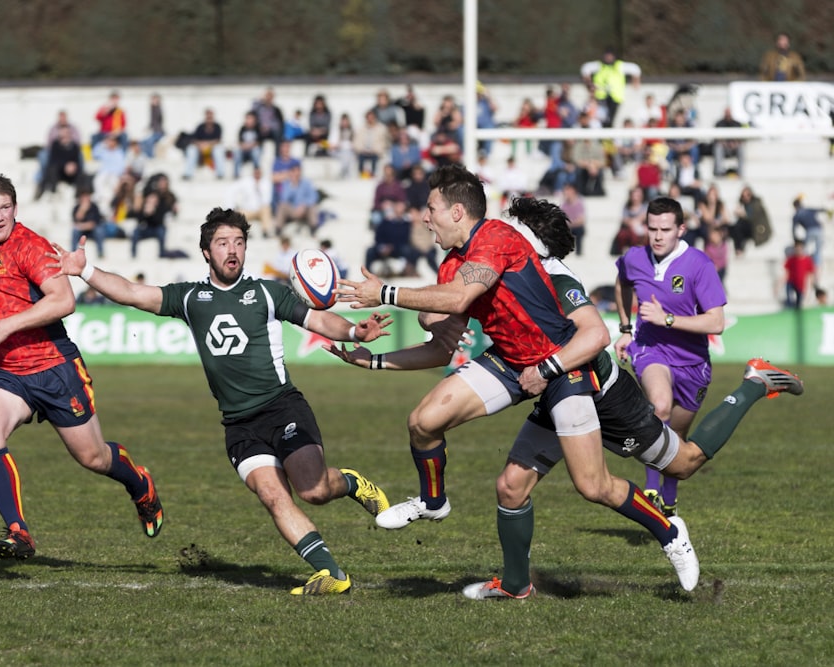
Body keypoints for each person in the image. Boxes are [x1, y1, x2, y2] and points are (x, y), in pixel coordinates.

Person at [328, 194, 802, 599]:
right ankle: (515, 585)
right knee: (510, 486)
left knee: (679, 464)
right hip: (547, 383)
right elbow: (443, 331)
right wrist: (379, 354)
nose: (503, 231)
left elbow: (591, 337)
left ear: (531, 242)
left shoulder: (556, 278)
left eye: (516, 228)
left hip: (597, 389)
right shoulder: (489, 264)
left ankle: (750, 387)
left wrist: (541, 366)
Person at [47, 207, 393, 596]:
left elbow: (316, 321)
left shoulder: (267, 292)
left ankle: (350, 483)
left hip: (283, 407)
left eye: (240, 243)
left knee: (313, 491)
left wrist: (354, 331)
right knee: (273, 495)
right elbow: (134, 293)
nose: (233, 250)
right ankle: (331, 573)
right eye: (223, 243)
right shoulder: (192, 297)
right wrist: (85, 271)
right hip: (239, 425)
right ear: (206, 252)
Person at [0, 173, 163, 560]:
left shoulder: (31, 245)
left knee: (92, 457)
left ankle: (139, 482)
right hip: (4, 372)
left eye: (5, 208)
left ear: (15, 208)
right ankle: (19, 532)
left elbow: (63, 300)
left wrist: (8, 324)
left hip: (53, 367)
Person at [615, 196, 728, 517]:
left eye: (665, 229)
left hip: (693, 363)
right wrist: (626, 328)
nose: (658, 236)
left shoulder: (699, 264)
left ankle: (669, 493)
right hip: (650, 349)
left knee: (676, 436)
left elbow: (716, 322)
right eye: (652, 228)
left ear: (681, 229)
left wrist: (668, 319)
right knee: (659, 407)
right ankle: (650, 489)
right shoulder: (635, 258)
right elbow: (621, 281)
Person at [580, 47, 642, 127]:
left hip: (615, 98)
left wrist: (636, 82)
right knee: (602, 119)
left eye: (610, 56)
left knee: (610, 120)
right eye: (607, 56)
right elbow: (585, 69)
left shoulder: (619, 66)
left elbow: (635, 69)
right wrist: (589, 84)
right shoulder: (599, 66)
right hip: (601, 97)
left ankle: (607, 137)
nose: (608, 58)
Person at [132, 173, 179, 259]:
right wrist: (146, 213)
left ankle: (162, 253)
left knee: (161, 230)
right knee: (136, 232)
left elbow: (160, 219)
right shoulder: (148, 197)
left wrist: (154, 211)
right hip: (147, 227)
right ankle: (133, 255)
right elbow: (139, 219)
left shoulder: (166, 200)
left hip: (157, 227)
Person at [225, 165, 273, 238]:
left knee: (266, 208)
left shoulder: (266, 183)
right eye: (256, 172)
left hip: (260, 210)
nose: (257, 174)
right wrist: (232, 206)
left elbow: (267, 200)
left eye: (259, 172)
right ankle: (245, 232)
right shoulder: (246, 182)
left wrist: (259, 189)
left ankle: (265, 231)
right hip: (248, 210)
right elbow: (231, 190)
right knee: (237, 214)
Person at [273, 164, 320, 237]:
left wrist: (304, 205)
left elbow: (313, 197)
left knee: (312, 206)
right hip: (292, 210)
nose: (296, 173)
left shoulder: (307, 183)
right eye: (294, 171)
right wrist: (292, 186)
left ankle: (313, 228)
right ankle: (278, 229)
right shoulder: (286, 183)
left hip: (304, 210)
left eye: (298, 171)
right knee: (282, 205)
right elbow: (283, 198)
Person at [183, 108, 226, 181]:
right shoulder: (200, 126)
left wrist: (208, 144)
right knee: (191, 150)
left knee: (218, 150)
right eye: (207, 116)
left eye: (210, 116)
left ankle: (220, 173)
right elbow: (194, 139)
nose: (209, 118)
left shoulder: (217, 126)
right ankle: (188, 173)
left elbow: (218, 140)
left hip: (212, 148)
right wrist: (201, 145)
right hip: (201, 148)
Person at [730, 186, 771, 255]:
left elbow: (753, 218)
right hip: (748, 228)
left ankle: (739, 248)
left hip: (757, 229)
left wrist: (742, 215)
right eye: (743, 196)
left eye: (748, 195)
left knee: (739, 226)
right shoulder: (742, 204)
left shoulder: (756, 204)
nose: (746, 197)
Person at [792, 195, 827, 275]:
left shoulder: (797, 215)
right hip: (819, 230)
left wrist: (795, 239)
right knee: (818, 250)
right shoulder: (807, 210)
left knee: (805, 249)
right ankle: (817, 266)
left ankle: (806, 264)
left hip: (810, 231)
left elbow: (794, 229)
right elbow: (819, 210)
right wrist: (826, 210)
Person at [353, 109, 391, 178]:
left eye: (372, 117)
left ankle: (373, 176)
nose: (370, 119)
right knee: (360, 159)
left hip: (375, 152)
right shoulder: (360, 129)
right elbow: (356, 142)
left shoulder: (382, 128)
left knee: (375, 159)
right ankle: (361, 175)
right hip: (363, 152)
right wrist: (361, 150)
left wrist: (377, 150)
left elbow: (385, 142)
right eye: (368, 117)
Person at [71, 187, 105, 260]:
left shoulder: (94, 207)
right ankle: (73, 252)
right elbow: (76, 221)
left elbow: (93, 224)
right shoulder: (77, 207)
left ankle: (100, 253)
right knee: (75, 231)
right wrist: (82, 209)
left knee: (99, 231)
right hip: (82, 231)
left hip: (92, 231)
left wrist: (81, 226)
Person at [712, 108, 744, 178]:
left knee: (741, 148)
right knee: (718, 147)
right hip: (724, 148)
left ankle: (740, 172)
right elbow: (716, 138)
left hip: (734, 148)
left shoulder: (737, 124)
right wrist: (726, 144)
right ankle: (719, 172)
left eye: (729, 112)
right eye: (726, 112)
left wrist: (735, 144)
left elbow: (741, 138)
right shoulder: (719, 123)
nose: (728, 114)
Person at [784, 240, 815, 309]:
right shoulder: (791, 259)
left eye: (799, 249)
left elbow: (811, 273)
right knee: (789, 295)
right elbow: (786, 272)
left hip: (800, 284)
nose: (798, 251)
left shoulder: (807, 260)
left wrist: (811, 284)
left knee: (799, 301)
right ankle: (789, 306)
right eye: (796, 249)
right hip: (791, 281)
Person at [233, 111, 263, 179]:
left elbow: (259, 142)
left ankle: (256, 171)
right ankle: (236, 174)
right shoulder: (242, 129)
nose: (248, 120)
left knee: (256, 151)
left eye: (250, 119)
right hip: (244, 151)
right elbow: (239, 142)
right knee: (237, 152)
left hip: (253, 150)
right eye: (247, 118)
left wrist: (250, 146)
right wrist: (244, 146)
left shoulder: (258, 129)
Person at [560, 182, 586, 255]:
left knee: (579, 230)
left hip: (575, 227)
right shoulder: (564, 204)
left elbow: (581, 220)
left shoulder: (579, 203)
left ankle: (579, 253)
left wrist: (570, 224)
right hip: (568, 226)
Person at [139, 93, 164, 158]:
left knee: (148, 142)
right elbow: (152, 122)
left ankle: (150, 157)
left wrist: (155, 106)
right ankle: (148, 156)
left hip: (158, 132)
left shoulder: (157, 109)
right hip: (155, 132)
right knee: (143, 142)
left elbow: (158, 120)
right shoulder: (153, 109)